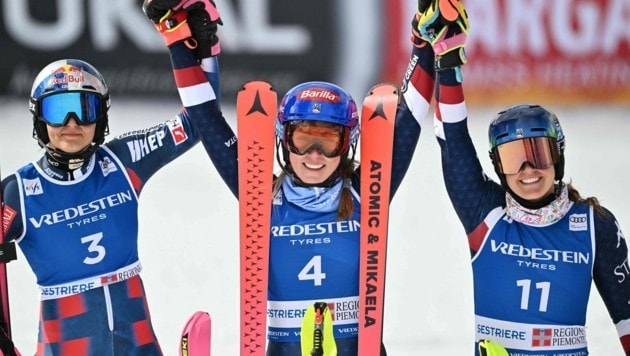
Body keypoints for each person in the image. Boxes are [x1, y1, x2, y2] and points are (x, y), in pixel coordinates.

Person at [177, 1, 457, 354]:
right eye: (303, 138)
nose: (313, 155)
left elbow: (410, 115)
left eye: (327, 141)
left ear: (347, 145)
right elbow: (205, 118)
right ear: (283, 140)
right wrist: (177, 43)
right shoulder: (260, 197)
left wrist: (424, 41)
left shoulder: (368, 191)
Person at [0, 1, 222, 354]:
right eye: (58, 110)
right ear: (39, 120)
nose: (72, 123)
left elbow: (198, 123)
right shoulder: (17, 193)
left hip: (138, 345)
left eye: (84, 109)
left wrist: (202, 52)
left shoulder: (122, 160)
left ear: (100, 118)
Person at [418, 1, 630, 355]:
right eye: (513, 159)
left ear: (558, 157)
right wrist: (448, 64)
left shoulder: (595, 226)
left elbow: (626, 316)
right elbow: (452, 138)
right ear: (497, 167)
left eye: (538, 156)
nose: (528, 170)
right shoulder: (484, 210)